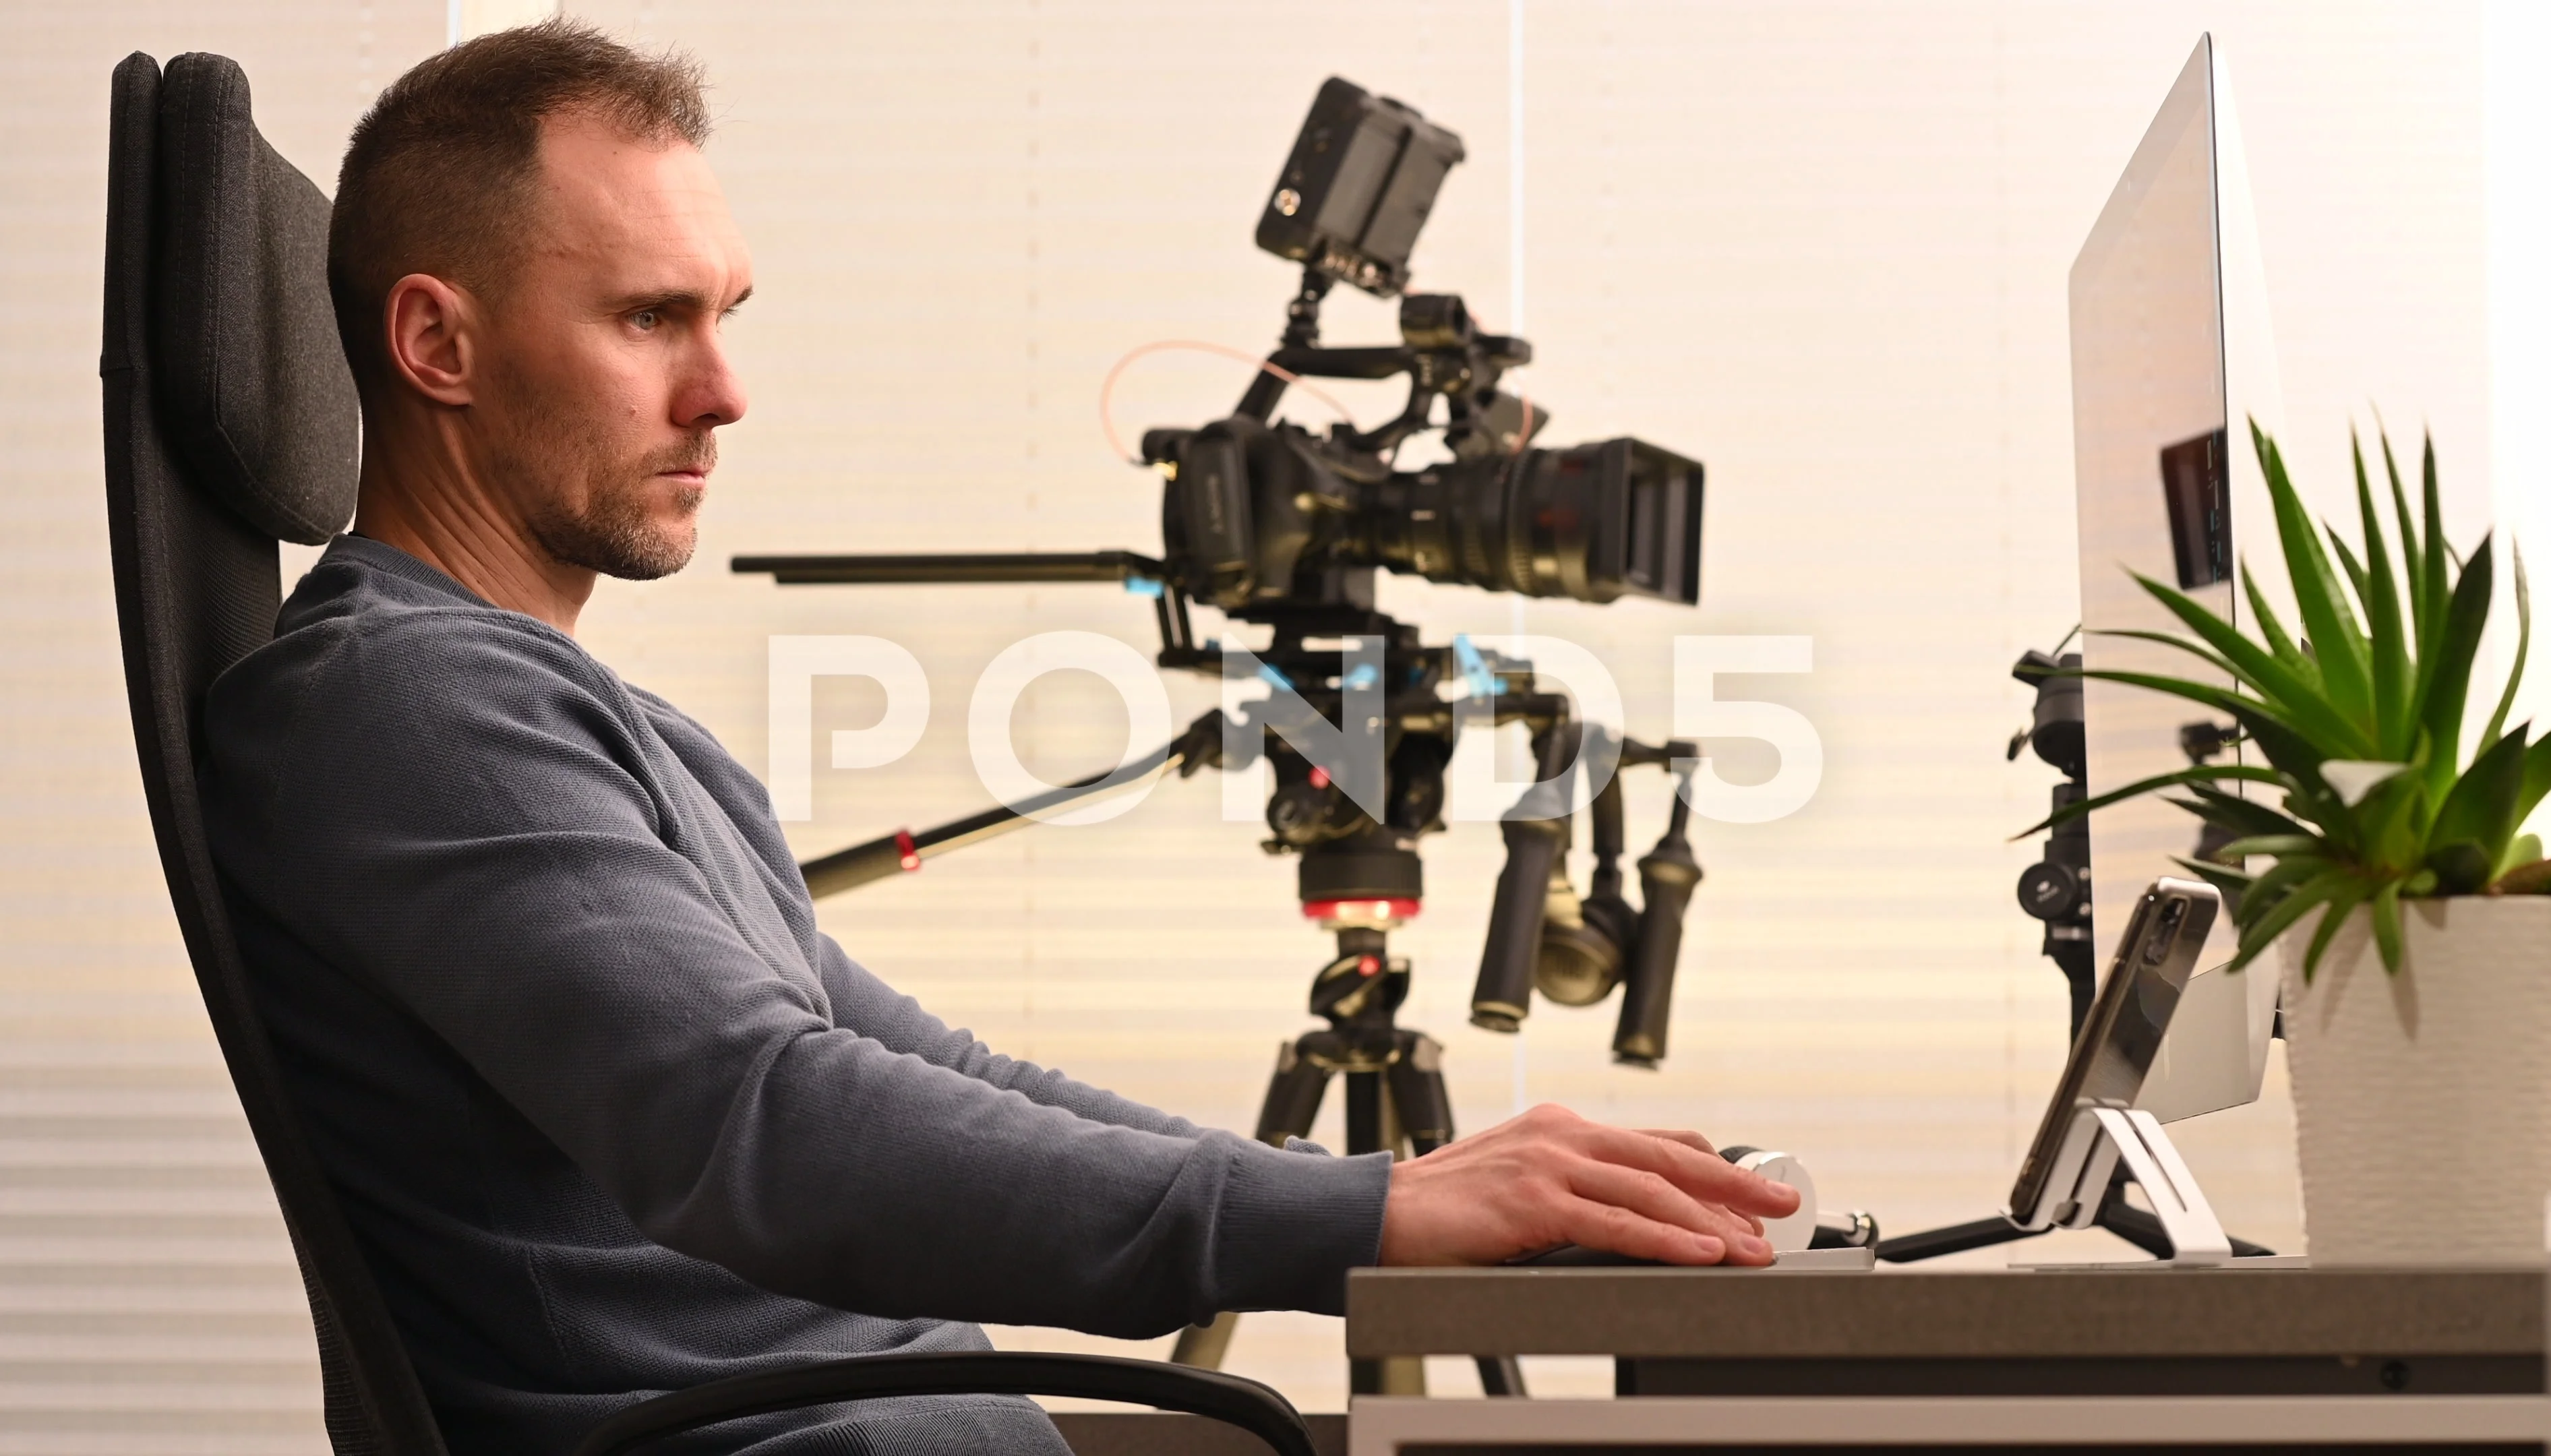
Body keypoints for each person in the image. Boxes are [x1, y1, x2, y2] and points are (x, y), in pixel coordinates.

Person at [200, 20, 1799, 1455]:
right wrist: (1364, 1213)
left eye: (727, 314)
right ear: (438, 346)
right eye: (648, 319)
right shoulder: (401, 704)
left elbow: (914, 1068)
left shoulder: (594, 722)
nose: (726, 391)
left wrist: (1404, 1199)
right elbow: (766, 1127)